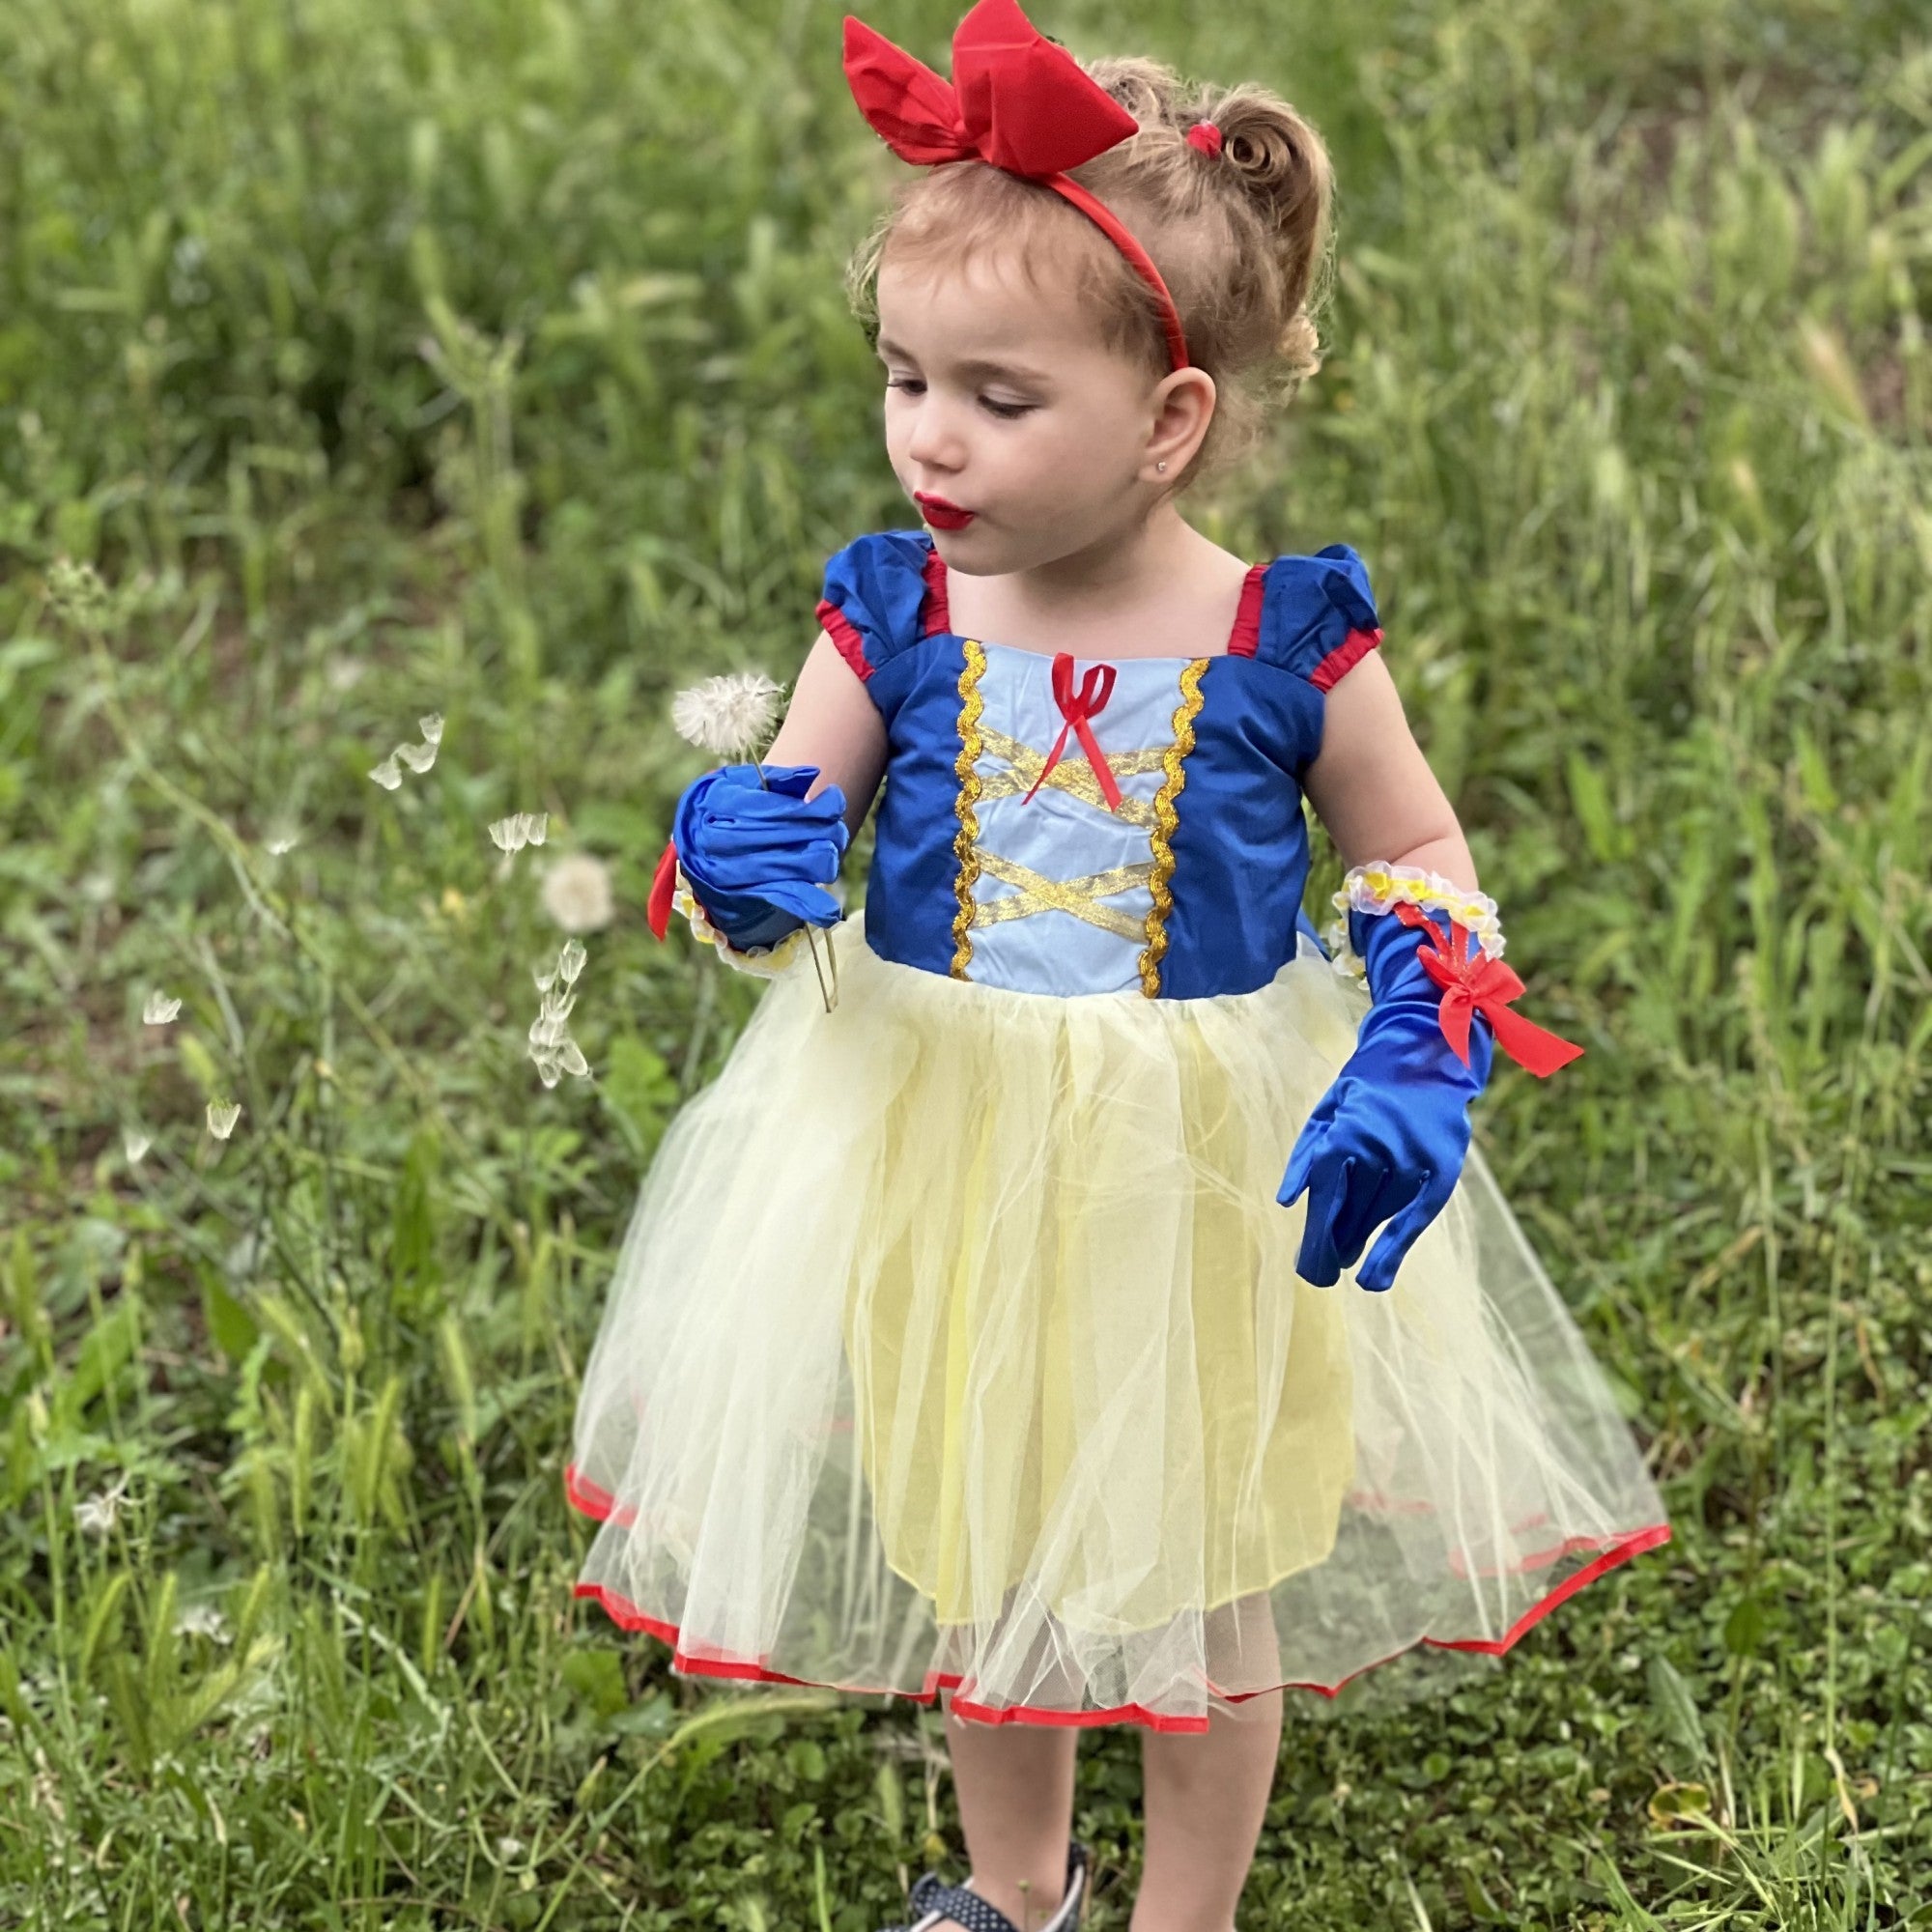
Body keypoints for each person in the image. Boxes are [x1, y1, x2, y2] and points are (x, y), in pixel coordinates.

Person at [567, 4, 1670, 1927]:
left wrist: (1422, 1028)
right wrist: (731, 857)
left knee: (1196, 1567)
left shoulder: (1277, 638)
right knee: (985, 1544)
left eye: (996, 396)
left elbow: (1411, 845)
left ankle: (1187, 1912)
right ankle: (1017, 1886)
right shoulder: (891, 608)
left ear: (1166, 420)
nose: (928, 431)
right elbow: (787, 835)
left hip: (1196, 1162)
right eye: (905, 375)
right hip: (946, 1132)